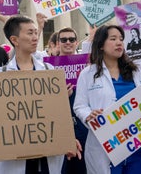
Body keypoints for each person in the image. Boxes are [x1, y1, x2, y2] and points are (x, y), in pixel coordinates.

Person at [0, 15, 81, 173]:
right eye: (30, 33)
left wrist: (68, 139)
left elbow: (58, 114)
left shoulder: (50, 72)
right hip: (13, 159)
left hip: (46, 157)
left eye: (36, 33)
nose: (35, 37)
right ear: (15, 40)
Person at [73, 24, 141, 174]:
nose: (119, 42)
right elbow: (79, 106)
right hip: (106, 147)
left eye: (121, 39)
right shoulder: (87, 74)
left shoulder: (136, 71)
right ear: (101, 45)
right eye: (113, 39)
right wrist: (89, 115)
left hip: (137, 146)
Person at [56, 27, 88, 174]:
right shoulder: (48, 68)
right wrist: (60, 97)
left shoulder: (88, 67)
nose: (68, 42)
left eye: (71, 39)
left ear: (76, 42)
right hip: (60, 126)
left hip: (83, 126)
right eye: (63, 40)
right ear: (58, 43)